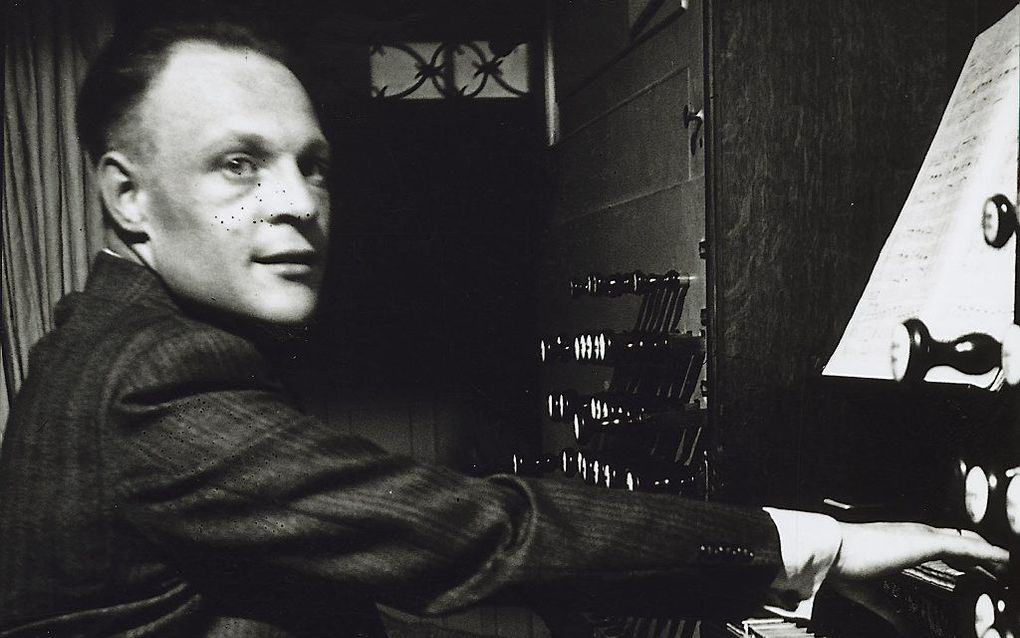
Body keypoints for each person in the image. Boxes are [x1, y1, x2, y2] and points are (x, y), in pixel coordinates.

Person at [0, 20, 1008, 638]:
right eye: (238, 166)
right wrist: (808, 540)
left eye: (311, 164)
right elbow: (473, 532)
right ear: (127, 195)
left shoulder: (106, 338)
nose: (296, 202)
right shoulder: (151, 377)